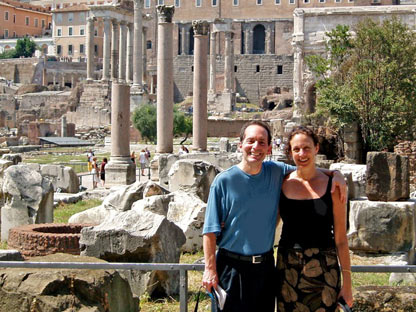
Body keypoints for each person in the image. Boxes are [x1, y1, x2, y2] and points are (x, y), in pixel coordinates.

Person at [202, 121, 347, 312]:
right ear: (240, 144)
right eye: (250, 141)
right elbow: (210, 230)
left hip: (266, 267)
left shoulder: (276, 171)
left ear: (270, 147)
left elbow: (304, 167)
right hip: (232, 267)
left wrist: (336, 174)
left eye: (262, 142)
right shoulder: (224, 181)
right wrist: (210, 269)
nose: (256, 147)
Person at [276, 126, 353, 311]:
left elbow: (341, 239)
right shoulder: (281, 183)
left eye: (307, 148)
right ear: (290, 152)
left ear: (316, 148)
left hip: (325, 269)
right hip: (288, 267)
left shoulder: (333, 186)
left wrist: (348, 285)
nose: (302, 154)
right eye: (296, 149)